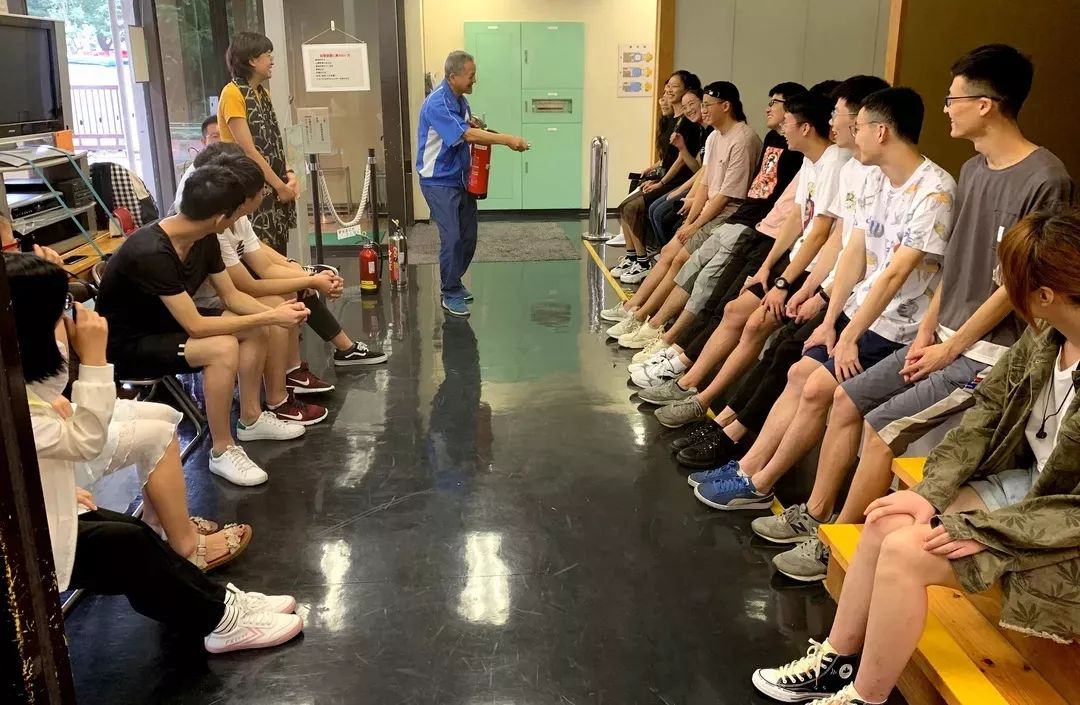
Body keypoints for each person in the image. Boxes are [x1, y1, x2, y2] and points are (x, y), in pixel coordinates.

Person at [761, 44, 1075, 583]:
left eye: (955, 99)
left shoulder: (1045, 178)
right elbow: (956, 260)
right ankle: (815, 516)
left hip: (990, 353)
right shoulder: (973, 170)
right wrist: (930, 329)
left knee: (882, 428)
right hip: (942, 334)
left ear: (986, 104)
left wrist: (951, 347)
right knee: (844, 399)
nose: (946, 109)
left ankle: (838, 542)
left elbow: (1016, 287)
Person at [751, 208, 1080, 705]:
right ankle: (836, 661)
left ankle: (866, 697)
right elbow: (986, 415)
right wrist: (930, 494)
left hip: (1061, 521)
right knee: (886, 519)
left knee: (907, 554)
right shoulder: (1044, 339)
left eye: (1008, 277)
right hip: (1030, 488)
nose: (1000, 284)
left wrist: (990, 531)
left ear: (1046, 295)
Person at [8, 252, 303, 654]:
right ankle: (218, 621)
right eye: (61, 311)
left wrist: (53, 487)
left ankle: (218, 603)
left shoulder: (17, 380)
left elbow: (35, 437)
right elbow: (83, 440)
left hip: (39, 509)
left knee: (138, 535)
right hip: (21, 540)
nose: (73, 319)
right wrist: (93, 359)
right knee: (128, 547)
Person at [693, 87, 958, 512]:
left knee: (817, 386)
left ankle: (763, 483)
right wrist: (832, 321)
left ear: (881, 131)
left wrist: (848, 334)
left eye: (858, 126)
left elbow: (895, 274)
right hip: (860, 310)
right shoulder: (873, 176)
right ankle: (748, 468)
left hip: (898, 325)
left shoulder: (935, 189)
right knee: (799, 371)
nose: (846, 132)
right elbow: (854, 251)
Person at [666, 75, 891, 468]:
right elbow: (816, 229)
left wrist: (809, 292)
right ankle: (709, 403)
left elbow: (839, 242)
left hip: (837, 287)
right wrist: (775, 271)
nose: (834, 122)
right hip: (812, 273)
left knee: (783, 348)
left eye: (839, 115)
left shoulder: (852, 167)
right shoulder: (846, 168)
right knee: (745, 316)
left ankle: (729, 428)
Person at [638, 87, 846, 427]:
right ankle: (687, 381)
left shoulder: (836, 163)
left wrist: (787, 283)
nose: (783, 128)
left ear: (806, 126)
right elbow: (797, 220)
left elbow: (822, 234)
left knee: (761, 330)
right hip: (790, 256)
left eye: (788, 121)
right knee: (734, 309)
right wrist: (768, 268)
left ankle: (709, 404)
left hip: (812, 270)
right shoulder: (813, 161)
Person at [96, 164, 312, 487]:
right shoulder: (151, 250)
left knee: (254, 328)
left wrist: (279, 311)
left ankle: (251, 419)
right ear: (220, 217)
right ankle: (222, 449)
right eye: (237, 213)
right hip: (129, 346)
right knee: (222, 347)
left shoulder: (205, 237)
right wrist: (271, 316)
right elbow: (196, 326)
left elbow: (232, 296)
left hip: (169, 325)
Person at [603, 82, 806, 353]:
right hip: (735, 216)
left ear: (726, 106)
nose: (701, 110)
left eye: (705, 105)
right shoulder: (721, 138)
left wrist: (694, 222)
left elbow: (727, 195)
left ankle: (657, 326)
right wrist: (690, 221)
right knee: (670, 250)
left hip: (733, 214)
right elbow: (706, 182)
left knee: (690, 265)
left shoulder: (745, 139)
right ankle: (637, 311)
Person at [178, 143, 388, 372]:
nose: (265, 195)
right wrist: (301, 286)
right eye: (263, 191)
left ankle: (299, 371)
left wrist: (305, 273)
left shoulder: (230, 216)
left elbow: (259, 256)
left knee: (291, 294)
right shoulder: (214, 227)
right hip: (206, 305)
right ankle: (288, 378)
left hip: (221, 295)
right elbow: (241, 289)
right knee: (281, 305)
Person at [417, 50, 530, 318]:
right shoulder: (437, 104)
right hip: (438, 181)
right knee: (452, 238)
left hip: (460, 178)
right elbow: (466, 135)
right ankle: (449, 292)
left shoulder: (460, 100)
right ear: (452, 76)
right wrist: (507, 139)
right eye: (471, 75)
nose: (474, 80)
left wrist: (474, 123)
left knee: (468, 237)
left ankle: (454, 281)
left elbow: (466, 125)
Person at [617, 83, 707, 285]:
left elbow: (695, 169)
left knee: (652, 211)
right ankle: (639, 257)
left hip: (684, 183)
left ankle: (650, 259)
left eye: (693, 104)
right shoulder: (689, 127)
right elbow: (682, 163)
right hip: (684, 183)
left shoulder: (696, 129)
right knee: (629, 205)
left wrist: (671, 185)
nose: (666, 97)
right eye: (664, 93)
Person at [218, 32, 298, 255]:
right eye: (267, 55)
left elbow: (274, 144)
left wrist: (289, 175)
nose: (272, 61)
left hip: (271, 188)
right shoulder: (232, 93)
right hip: (247, 188)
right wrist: (280, 186)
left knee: (277, 250)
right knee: (256, 253)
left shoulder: (262, 94)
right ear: (252, 60)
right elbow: (247, 150)